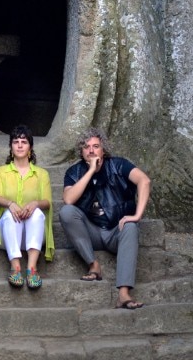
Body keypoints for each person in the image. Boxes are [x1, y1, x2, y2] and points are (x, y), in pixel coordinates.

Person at [59, 126, 151, 309]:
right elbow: (69, 199)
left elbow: (144, 180)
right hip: (91, 233)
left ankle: (123, 294)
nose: (91, 150)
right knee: (66, 212)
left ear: (103, 149)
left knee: (131, 227)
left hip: (116, 231)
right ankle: (93, 265)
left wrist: (137, 215)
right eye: (86, 147)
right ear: (81, 151)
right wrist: (90, 171)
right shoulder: (74, 172)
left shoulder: (118, 165)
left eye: (96, 146)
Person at [0, 124, 54, 289]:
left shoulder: (42, 174)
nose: (19, 145)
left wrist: (35, 203)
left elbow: (47, 202)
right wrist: (10, 204)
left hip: (34, 235)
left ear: (30, 146)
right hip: (7, 234)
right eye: (15, 142)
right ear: (11, 147)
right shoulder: (0, 172)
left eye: (23, 142)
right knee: (10, 214)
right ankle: (15, 266)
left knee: (37, 213)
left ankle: (32, 268)